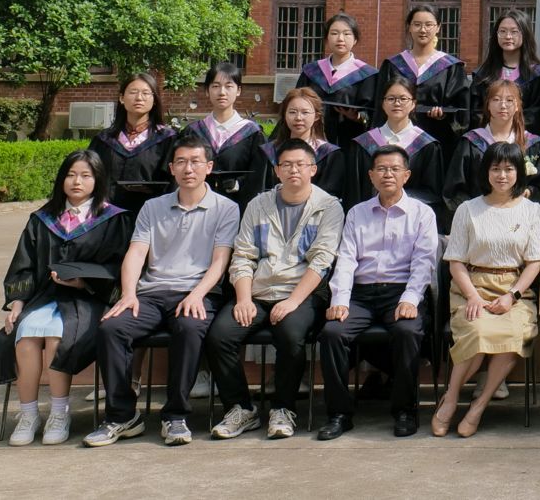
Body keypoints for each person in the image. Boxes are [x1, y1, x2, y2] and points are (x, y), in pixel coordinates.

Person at [86, 134, 241, 448]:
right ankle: (122, 416)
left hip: (198, 293)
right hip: (152, 293)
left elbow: (220, 260)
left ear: (209, 167)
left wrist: (197, 294)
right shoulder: (152, 207)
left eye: (195, 162)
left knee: (189, 327)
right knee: (112, 328)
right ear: (171, 168)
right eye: (181, 162)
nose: (188, 169)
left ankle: (175, 415)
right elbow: (136, 253)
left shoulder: (226, 208)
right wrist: (129, 294)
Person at [207, 138, 345, 441]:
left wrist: (293, 301)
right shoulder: (258, 205)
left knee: (290, 334)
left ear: (313, 169)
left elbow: (322, 261)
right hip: (258, 290)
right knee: (220, 336)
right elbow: (243, 255)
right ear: (276, 170)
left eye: (301, 164)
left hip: (303, 293)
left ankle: (283, 408)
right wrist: (244, 298)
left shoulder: (328, 207)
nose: (294, 170)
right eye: (287, 165)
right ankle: (241, 408)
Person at [0, 150, 130, 447]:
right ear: (61, 180)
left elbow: (118, 267)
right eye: (71, 175)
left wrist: (84, 282)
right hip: (45, 297)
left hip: (88, 298)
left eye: (85, 175)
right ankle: (29, 414)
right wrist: (17, 303)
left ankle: (59, 413)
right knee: (25, 336)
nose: (77, 182)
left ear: (98, 180)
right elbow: (24, 264)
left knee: (59, 336)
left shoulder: (112, 219)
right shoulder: (42, 219)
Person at [315, 145, 440, 441]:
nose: (388, 175)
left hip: (399, 292)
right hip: (360, 294)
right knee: (332, 333)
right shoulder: (357, 213)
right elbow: (346, 259)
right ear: (371, 175)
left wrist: (410, 299)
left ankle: (405, 410)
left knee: (408, 331)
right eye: (381, 169)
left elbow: (424, 262)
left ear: (406, 175)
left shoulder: (422, 213)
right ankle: (339, 414)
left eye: (395, 169)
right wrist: (340, 300)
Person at [436, 141, 540, 438]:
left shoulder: (532, 210)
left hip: (513, 290)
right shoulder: (468, 209)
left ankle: (478, 405)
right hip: (471, 287)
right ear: (486, 172)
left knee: (513, 336)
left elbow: (534, 263)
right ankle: (450, 398)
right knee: (479, 331)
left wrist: (512, 296)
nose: (502, 175)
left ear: (519, 172)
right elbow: (456, 262)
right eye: (495, 169)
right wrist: (472, 295)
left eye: (509, 169)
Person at [445, 79, 540, 225]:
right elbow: (455, 189)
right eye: (496, 99)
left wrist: (528, 192)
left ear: (518, 106)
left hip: (517, 224)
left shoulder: (530, 144)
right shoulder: (471, 142)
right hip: (478, 222)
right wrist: (471, 217)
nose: (503, 105)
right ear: (487, 105)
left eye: (509, 100)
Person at [351, 75, 449, 214]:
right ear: (383, 103)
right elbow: (354, 192)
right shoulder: (364, 143)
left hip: (410, 218)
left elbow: (432, 193)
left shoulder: (427, 145)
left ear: (413, 104)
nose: (397, 103)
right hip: (368, 218)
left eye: (403, 99)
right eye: (391, 98)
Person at [385, 4, 473, 149]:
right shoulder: (393, 65)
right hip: (396, 140)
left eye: (429, 25)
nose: (423, 30)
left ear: (438, 27)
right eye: (417, 24)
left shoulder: (451, 67)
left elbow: (462, 112)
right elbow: (380, 106)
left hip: (438, 141)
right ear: (409, 27)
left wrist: (444, 115)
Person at [89, 71, 176, 215]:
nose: (139, 98)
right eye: (133, 92)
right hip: (107, 217)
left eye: (146, 93)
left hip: (152, 217)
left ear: (154, 100)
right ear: (121, 98)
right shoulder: (104, 140)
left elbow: (173, 183)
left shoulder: (167, 139)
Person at [250, 87, 354, 205]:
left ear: (316, 116)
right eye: (292, 112)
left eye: (305, 112)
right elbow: (257, 192)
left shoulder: (330, 155)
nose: (298, 118)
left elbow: (330, 197)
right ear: (284, 115)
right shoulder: (269, 152)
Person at [297, 12, 386, 143]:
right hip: (311, 138)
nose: (340, 38)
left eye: (346, 34)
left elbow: (374, 115)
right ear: (327, 38)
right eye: (334, 33)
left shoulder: (367, 75)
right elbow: (296, 102)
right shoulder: (311, 71)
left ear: (355, 40)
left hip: (349, 141)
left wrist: (357, 116)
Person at [184, 60, 261, 207]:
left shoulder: (252, 133)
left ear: (238, 90)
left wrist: (238, 183)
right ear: (207, 91)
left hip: (240, 208)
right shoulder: (193, 131)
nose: (222, 92)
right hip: (196, 207)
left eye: (229, 86)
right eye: (215, 86)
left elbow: (259, 176)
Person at [470, 8, 540, 132]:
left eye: (514, 32)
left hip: (522, 138)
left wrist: (509, 130)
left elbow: (537, 114)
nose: (508, 36)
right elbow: (475, 112)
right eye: (502, 31)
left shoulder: (537, 74)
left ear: (525, 34)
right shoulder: (483, 74)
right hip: (488, 137)